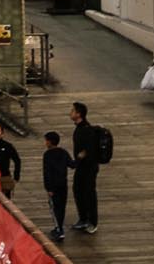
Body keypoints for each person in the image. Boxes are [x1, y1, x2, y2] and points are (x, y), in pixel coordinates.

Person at [69, 102, 101, 233]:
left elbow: (90, 148)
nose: (70, 113)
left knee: (89, 193)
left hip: (89, 167)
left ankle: (92, 222)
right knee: (78, 190)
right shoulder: (78, 128)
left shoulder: (86, 129)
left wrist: (83, 155)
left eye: (73, 111)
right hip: (81, 166)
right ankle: (83, 218)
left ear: (78, 114)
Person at [42, 131, 74, 240]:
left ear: (49, 142)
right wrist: (80, 158)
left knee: (54, 207)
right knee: (62, 206)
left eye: (46, 140)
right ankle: (60, 226)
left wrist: (48, 187)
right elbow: (72, 164)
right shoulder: (63, 152)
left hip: (53, 185)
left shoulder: (47, 155)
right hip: (63, 184)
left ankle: (59, 229)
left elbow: (46, 172)